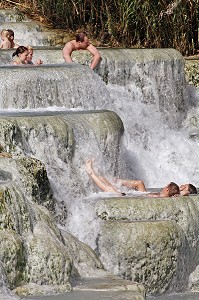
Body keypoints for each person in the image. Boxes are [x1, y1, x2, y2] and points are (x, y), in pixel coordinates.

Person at [85, 159, 180, 198]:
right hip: (139, 195)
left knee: (111, 190)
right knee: (139, 183)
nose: (164, 187)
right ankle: (111, 179)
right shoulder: (166, 196)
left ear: (167, 189)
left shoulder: (161, 198)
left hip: (134, 198)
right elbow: (184, 192)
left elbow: (186, 191)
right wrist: (176, 195)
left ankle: (91, 173)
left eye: (165, 186)